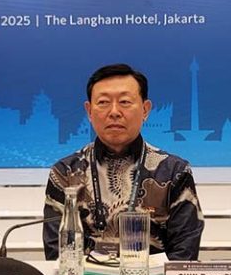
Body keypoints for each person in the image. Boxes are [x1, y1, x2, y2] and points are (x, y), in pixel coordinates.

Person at [43, 63, 204, 261]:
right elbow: (57, 253)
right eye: (103, 102)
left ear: (145, 110)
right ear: (89, 111)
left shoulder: (174, 172)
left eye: (125, 102)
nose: (114, 112)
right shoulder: (65, 173)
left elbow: (184, 255)